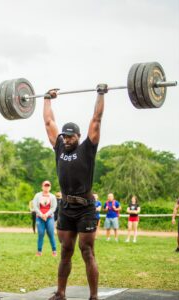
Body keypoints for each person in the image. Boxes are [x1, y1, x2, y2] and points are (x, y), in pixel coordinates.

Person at [43, 84, 107, 300]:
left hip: (86, 208)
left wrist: (99, 94)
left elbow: (96, 120)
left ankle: (94, 296)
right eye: (65, 136)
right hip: (66, 207)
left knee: (87, 251)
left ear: (78, 136)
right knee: (65, 251)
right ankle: (60, 293)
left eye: (70, 137)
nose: (67, 139)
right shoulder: (59, 147)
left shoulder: (87, 148)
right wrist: (46, 99)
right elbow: (49, 122)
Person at [33, 180, 57, 256]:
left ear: (50, 187)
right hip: (39, 217)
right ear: (42, 187)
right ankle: (39, 251)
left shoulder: (52, 196)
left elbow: (53, 208)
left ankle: (54, 250)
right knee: (41, 233)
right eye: (45, 186)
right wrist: (41, 215)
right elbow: (35, 207)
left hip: (49, 217)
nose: (46, 187)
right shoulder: (37, 195)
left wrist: (46, 215)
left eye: (48, 186)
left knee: (51, 233)